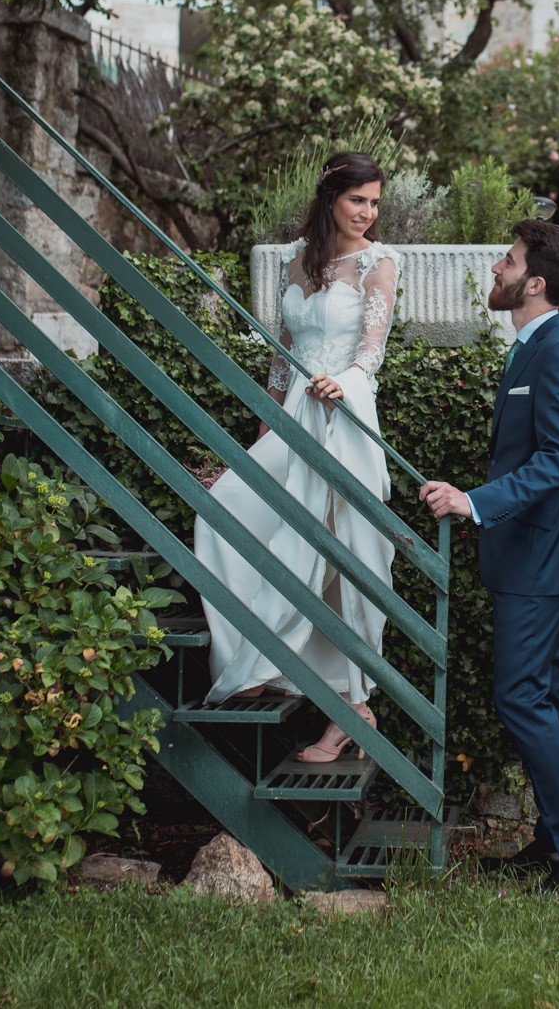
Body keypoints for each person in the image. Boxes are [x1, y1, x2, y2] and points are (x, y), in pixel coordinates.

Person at [420, 220, 559, 895]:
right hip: (528, 560)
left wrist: (472, 501)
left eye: (507, 261)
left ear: (534, 282)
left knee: (522, 697)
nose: (496, 267)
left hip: (541, 560)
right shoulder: (528, 346)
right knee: (547, 700)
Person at [193, 152, 398, 764]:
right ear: (330, 196)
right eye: (358, 199)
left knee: (343, 560)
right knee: (224, 510)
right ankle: (257, 655)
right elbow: (280, 364)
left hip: (343, 415)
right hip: (291, 423)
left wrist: (346, 383)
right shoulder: (293, 261)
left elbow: (372, 351)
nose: (367, 213)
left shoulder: (379, 262)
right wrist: (255, 447)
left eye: (374, 202)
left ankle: (351, 710)